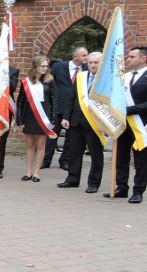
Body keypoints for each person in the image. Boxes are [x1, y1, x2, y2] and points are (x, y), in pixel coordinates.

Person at [105, 46, 147, 203]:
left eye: (132, 57)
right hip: (123, 123)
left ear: (143, 58)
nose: (128, 59)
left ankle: (138, 191)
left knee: (141, 160)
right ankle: (121, 187)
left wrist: (128, 110)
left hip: (141, 124)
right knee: (120, 156)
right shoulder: (124, 77)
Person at [58, 51, 105, 193]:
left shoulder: (106, 80)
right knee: (74, 152)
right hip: (76, 121)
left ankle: (94, 183)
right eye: (90, 62)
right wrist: (66, 117)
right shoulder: (81, 77)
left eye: (96, 62)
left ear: (101, 63)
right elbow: (71, 99)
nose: (92, 65)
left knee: (96, 154)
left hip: (94, 123)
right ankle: (72, 179)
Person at [43, 46, 87, 170]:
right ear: (75, 57)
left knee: (71, 137)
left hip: (76, 109)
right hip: (59, 107)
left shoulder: (86, 69)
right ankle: (46, 160)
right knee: (52, 134)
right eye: (84, 55)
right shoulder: (59, 67)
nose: (86, 57)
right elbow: (50, 84)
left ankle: (65, 160)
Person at [16, 56, 57, 182]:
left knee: (40, 144)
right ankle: (28, 171)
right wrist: (19, 119)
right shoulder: (26, 81)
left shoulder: (50, 81)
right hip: (29, 115)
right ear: (35, 66)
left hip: (44, 115)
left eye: (46, 66)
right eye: (42, 66)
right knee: (29, 144)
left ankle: (36, 172)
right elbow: (20, 101)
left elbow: (54, 100)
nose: (45, 68)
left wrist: (53, 119)